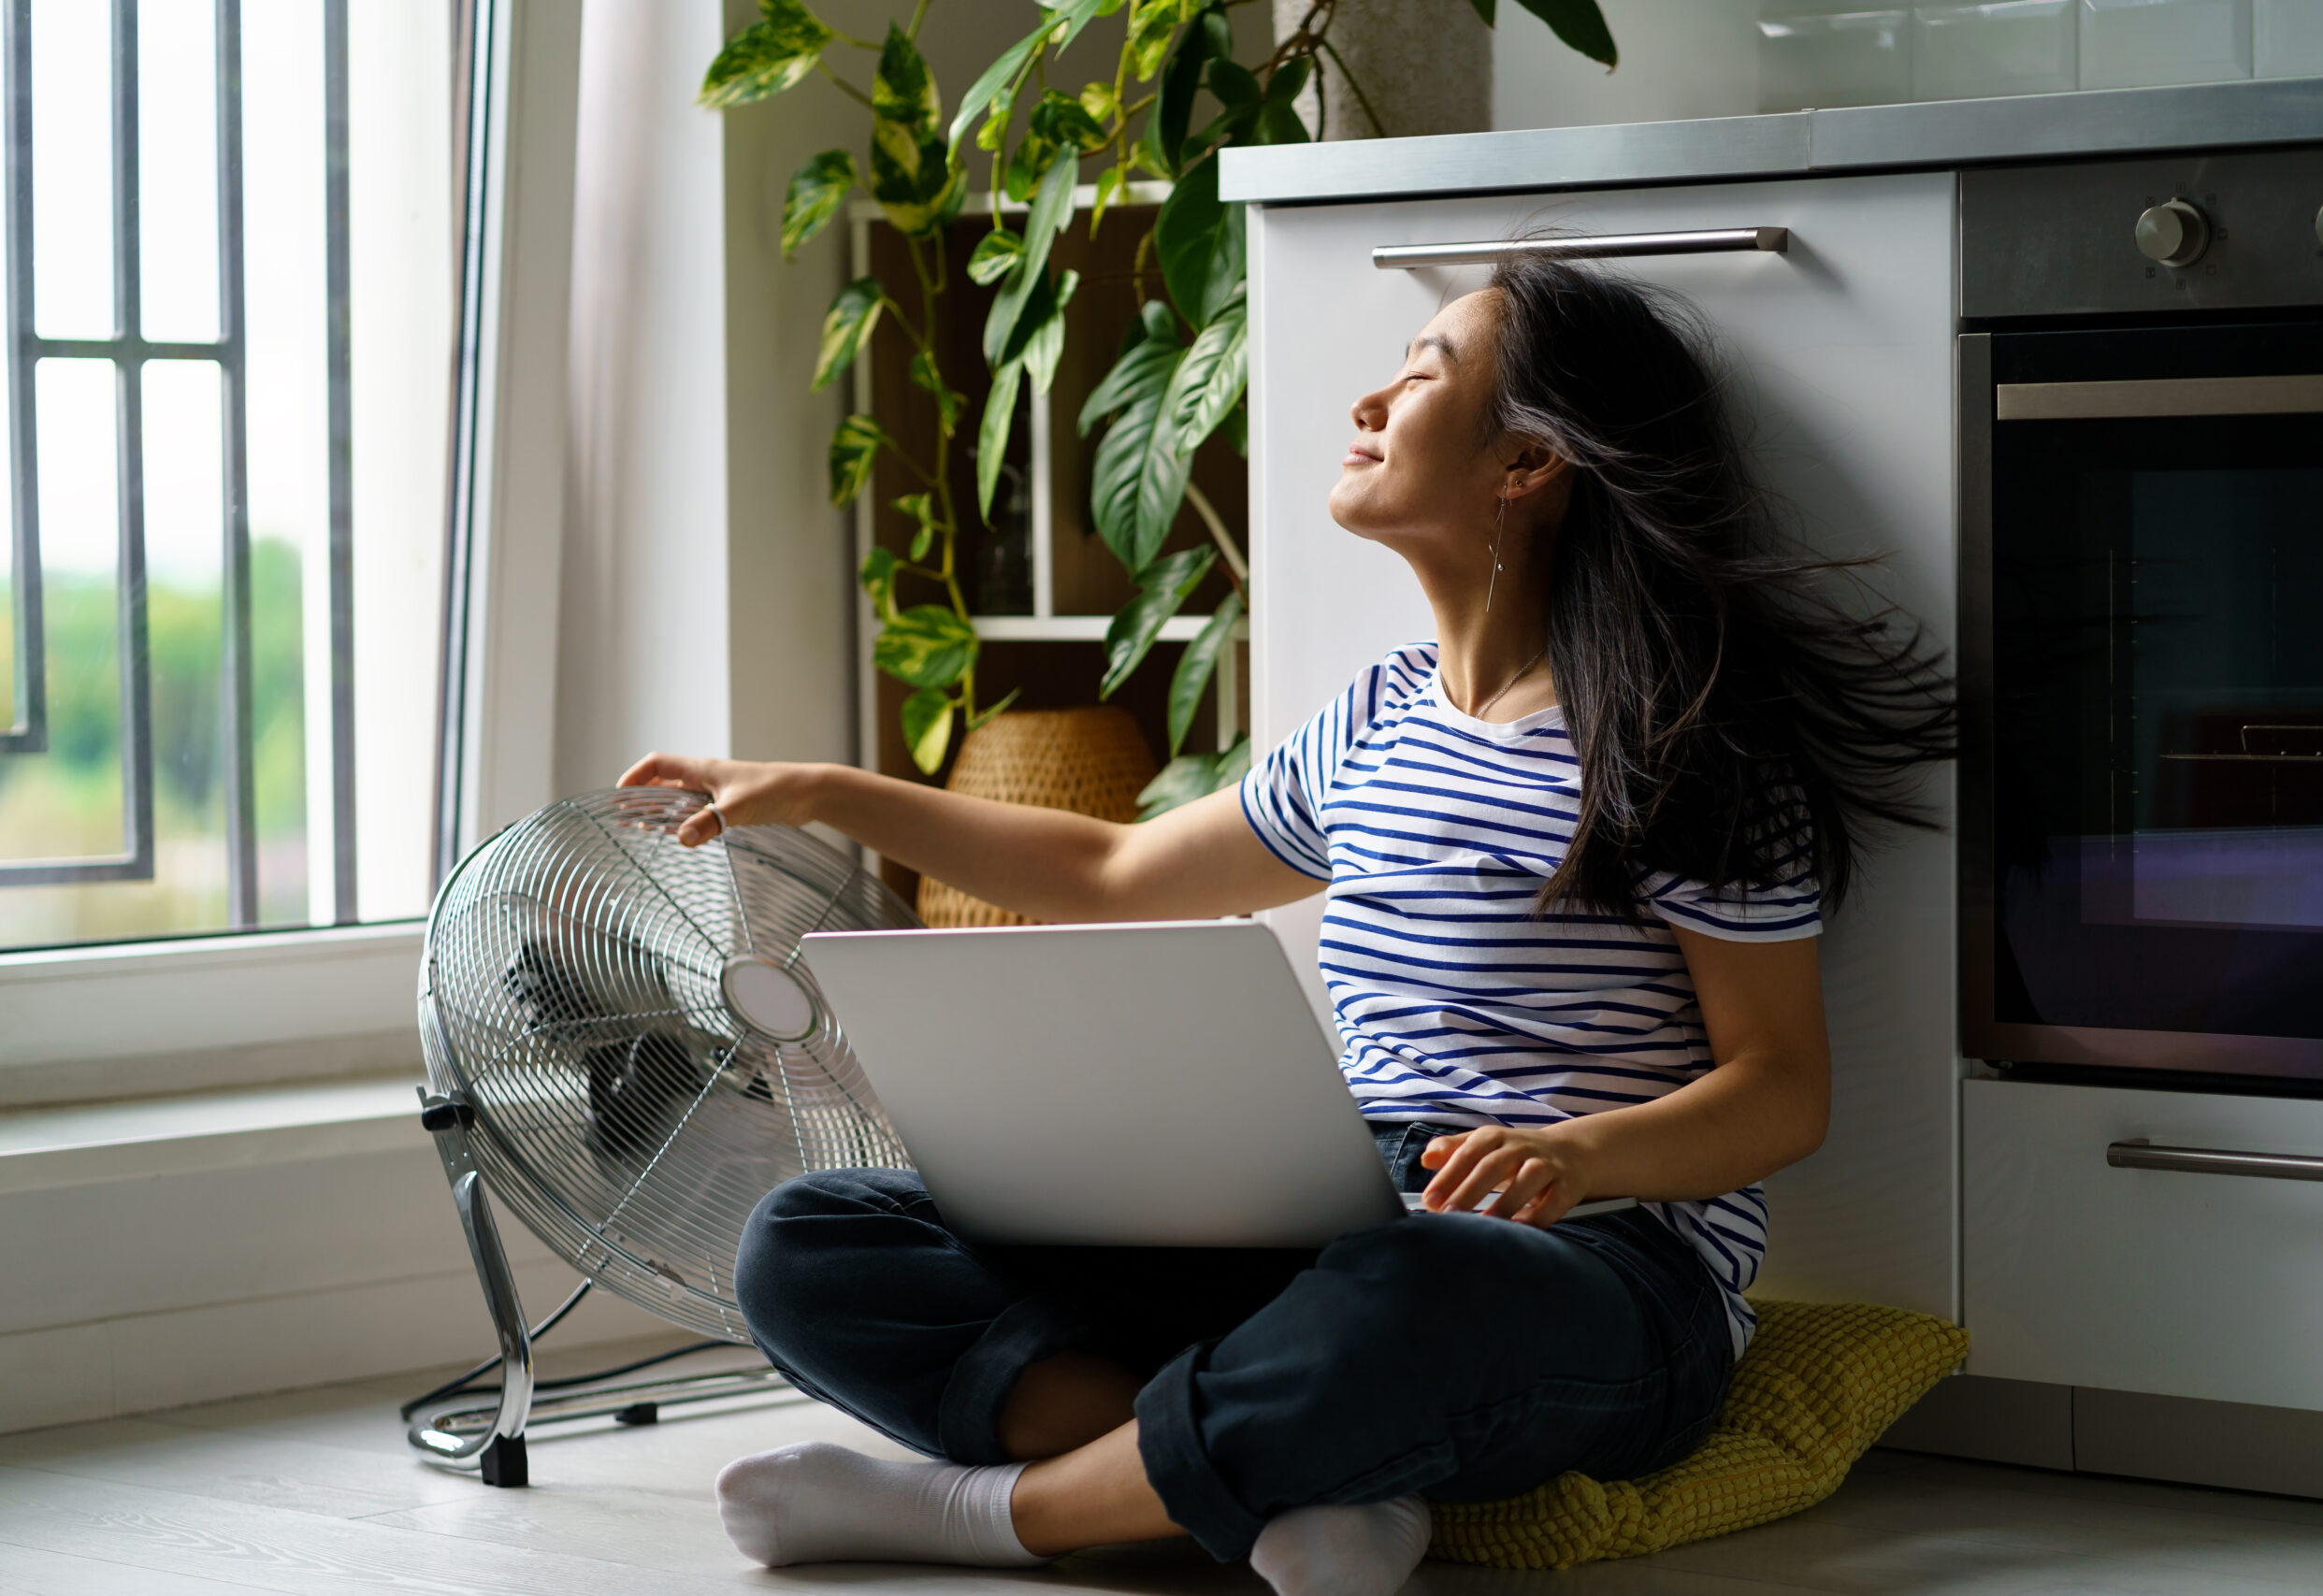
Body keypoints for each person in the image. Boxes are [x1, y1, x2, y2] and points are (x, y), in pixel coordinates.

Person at [618, 255, 1953, 1596]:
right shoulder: (1379, 718)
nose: (1371, 399)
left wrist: (1579, 1158)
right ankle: (1294, 1492)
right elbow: (1116, 870)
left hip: (1596, 1265)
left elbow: (1780, 1089)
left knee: (1420, 1299)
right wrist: (818, 791)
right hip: (1334, 1216)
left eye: (1425, 372)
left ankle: (981, 1515)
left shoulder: (1679, 745)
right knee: (812, 1242)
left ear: (1528, 461)